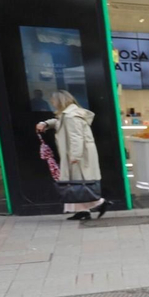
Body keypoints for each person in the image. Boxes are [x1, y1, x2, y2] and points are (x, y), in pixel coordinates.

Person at [36, 90, 108, 221]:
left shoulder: (71, 116)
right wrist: (46, 123)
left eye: (53, 101)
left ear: (59, 101)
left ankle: (99, 204)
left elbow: (76, 137)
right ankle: (82, 211)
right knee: (75, 183)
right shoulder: (69, 114)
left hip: (77, 154)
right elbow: (59, 122)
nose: (52, 103)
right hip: (77, 153)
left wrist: (75, 156)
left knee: (77, 183)